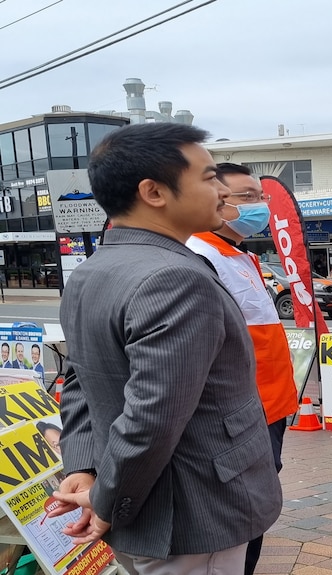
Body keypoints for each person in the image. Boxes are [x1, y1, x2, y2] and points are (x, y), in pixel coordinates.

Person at [46, 123, 281, 575]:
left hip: (146, 507)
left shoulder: (93, 271)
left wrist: (84, 465)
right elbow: (152, 416)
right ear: (154, 192)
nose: (221, 191)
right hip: (191, 513)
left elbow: (79, 380)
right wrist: (104, 497)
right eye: (209, 177)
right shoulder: (176, 278)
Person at [186, 162, 298, 575]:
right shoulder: (200, 254)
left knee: (256, 506)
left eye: (261, 197)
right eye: (246, 197)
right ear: (216, 199)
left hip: (270, 407)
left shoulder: (238, 254)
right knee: (241, 514)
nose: (260, 206)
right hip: (242, 415)